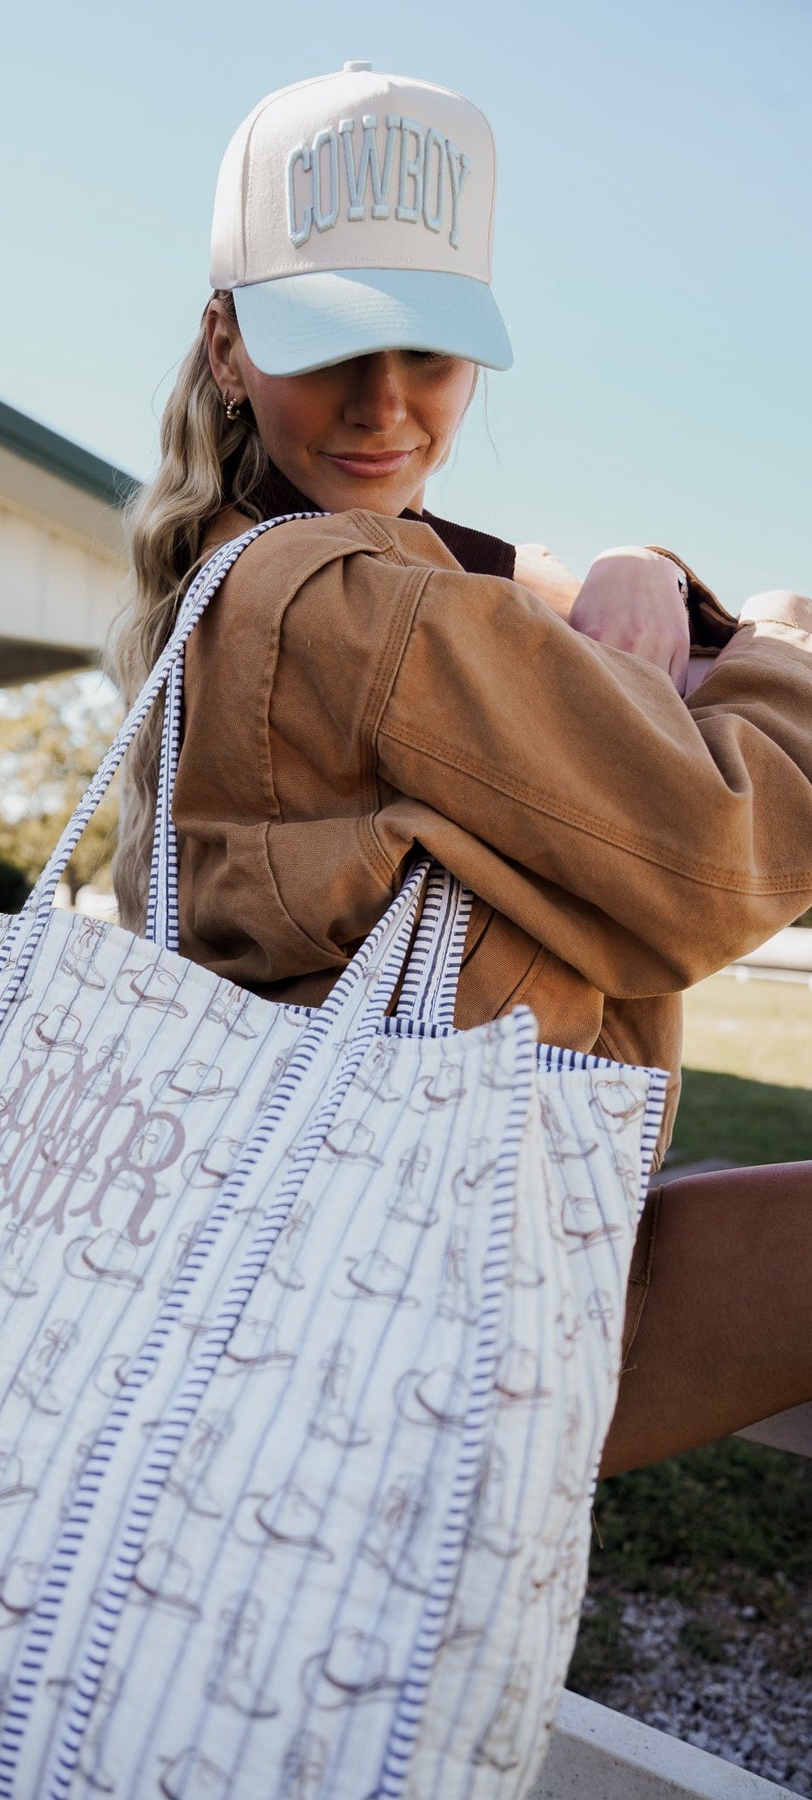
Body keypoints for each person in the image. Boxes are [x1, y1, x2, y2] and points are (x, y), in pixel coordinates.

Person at [108, 63, 812, 1480]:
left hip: (309, 1263)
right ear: (228, 347)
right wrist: (779, 648)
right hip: (442, 1295)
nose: (383, 405)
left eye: (428, 352)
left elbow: (519, 599)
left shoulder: (238, 579)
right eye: (327, 346)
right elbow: (716, 856)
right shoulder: (356, 602)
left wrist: (648, 568)